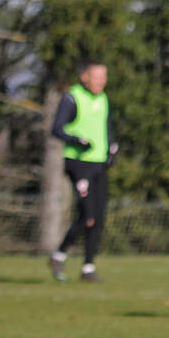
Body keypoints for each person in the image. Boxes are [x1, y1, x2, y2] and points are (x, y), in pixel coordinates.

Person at [48, 60, 117, 283]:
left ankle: (88, 267)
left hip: (98, 163)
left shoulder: (103, 98)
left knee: (98, 217)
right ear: (85, 77)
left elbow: (105, 127)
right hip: (78, 163)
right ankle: (59, 254)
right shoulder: (72, 97)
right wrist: (77, 140)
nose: (100, 81)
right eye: (96, 77)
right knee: (87, 216)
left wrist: (111, 147)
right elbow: (57, 129)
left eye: (103, 77)